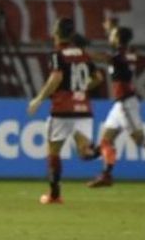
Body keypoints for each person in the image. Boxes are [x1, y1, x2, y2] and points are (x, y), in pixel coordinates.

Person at [87, 25, 145, 187]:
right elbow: (113, 55)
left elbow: (104, 58)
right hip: (119, 105)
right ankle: (106, 175)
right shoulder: (125, 53)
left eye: (113, 34)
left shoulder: (119, 55)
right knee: (105, 141)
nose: (110, 36)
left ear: (118, 38)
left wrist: (82, 55)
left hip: (126, 104)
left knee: (140, 139)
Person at [27, 17, 103, 205]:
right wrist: (81, 88)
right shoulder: (84, 54)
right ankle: (106, 149)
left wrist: (38, 99)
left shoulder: (57, 54)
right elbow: (99, 77)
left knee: (53, 152)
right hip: (83, 109)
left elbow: (56, 78)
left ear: (58, 32)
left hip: (62, 110)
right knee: (85, 152)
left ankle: (54, 195)